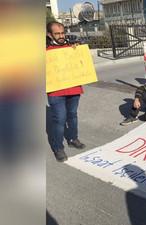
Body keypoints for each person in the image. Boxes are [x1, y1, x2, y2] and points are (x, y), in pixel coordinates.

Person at [46, 21, 86, 162]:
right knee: (59, 119)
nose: (61, 36)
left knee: (72, 115)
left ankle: (73, 139)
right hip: (55, 91)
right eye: (57, 33)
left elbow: (82, 65)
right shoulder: (45, 52)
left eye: (62, 33)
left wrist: (78, 52)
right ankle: (58, 147)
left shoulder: (72, 48)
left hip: (73, 88)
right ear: (49, 35)